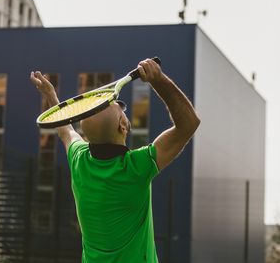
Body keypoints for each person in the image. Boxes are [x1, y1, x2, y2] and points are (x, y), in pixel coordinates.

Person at [30, 58, 200, 262]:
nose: (123, 110)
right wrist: (158, 80)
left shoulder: (79, 160)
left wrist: (51, 96)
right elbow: (189, 124)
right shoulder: (137, 167)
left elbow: (66, 131)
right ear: (123, 126)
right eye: (120, 108)